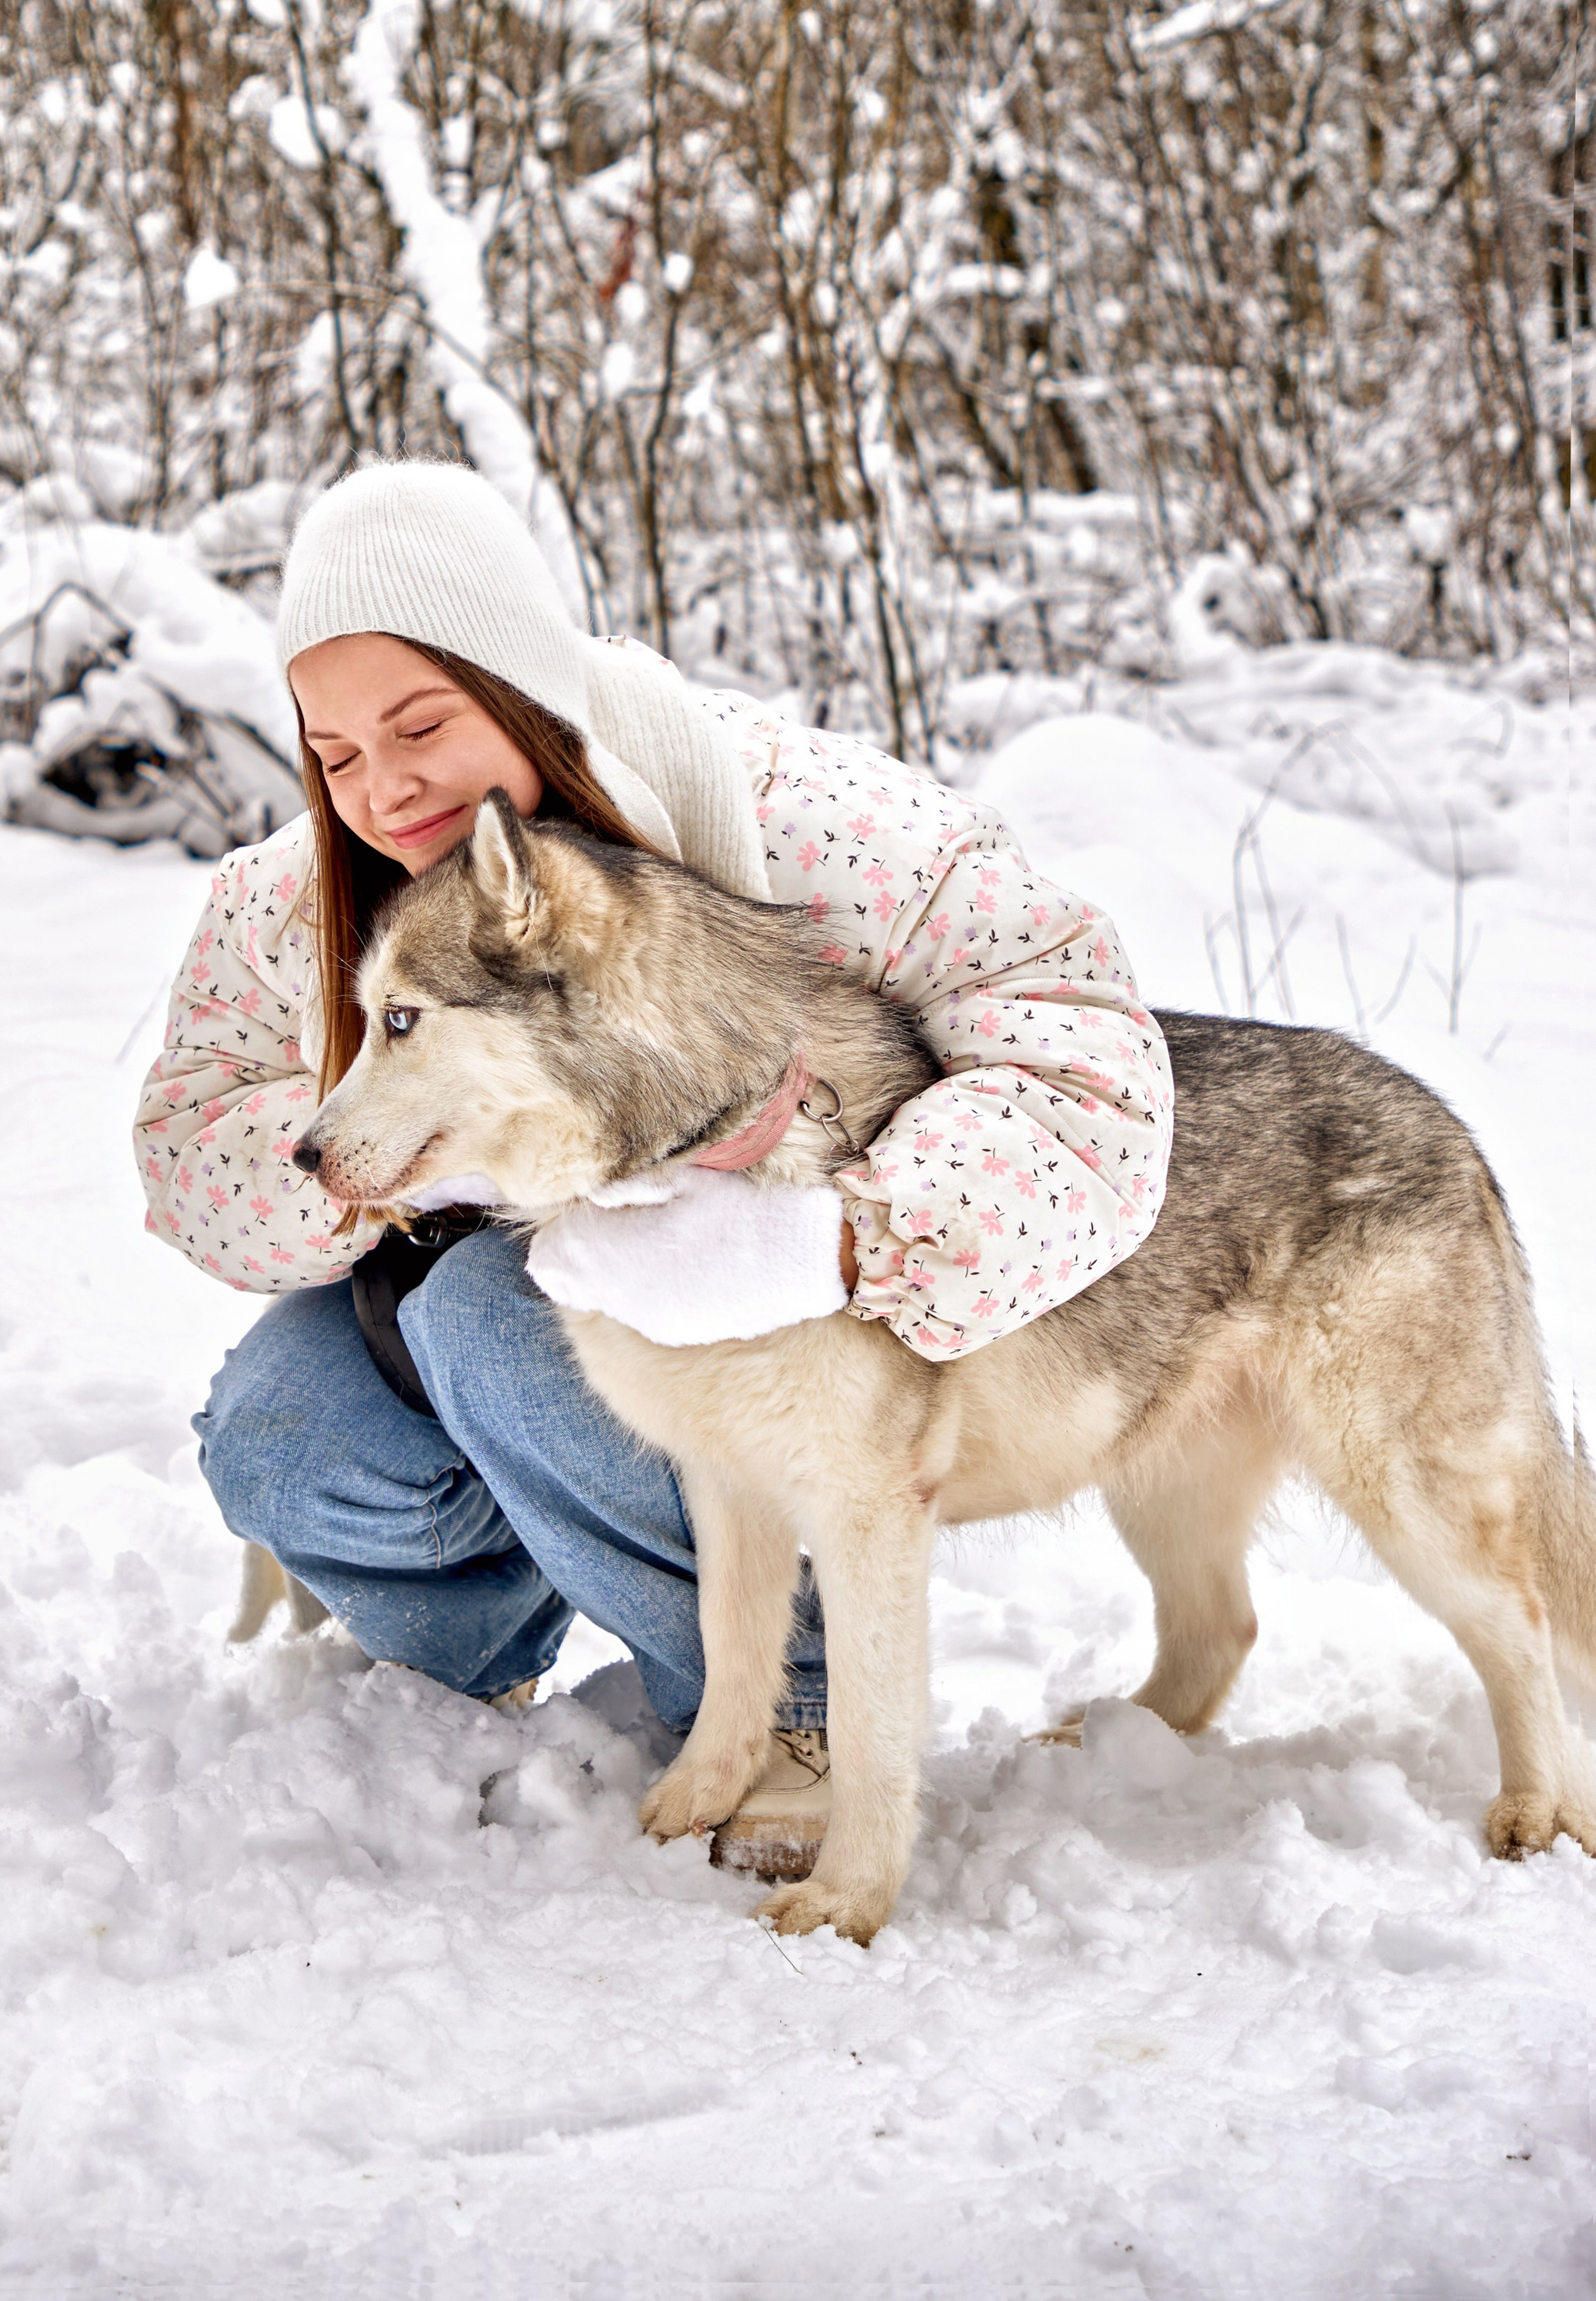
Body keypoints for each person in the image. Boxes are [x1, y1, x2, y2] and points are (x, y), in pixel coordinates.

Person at [133, 462, 1174, 1870]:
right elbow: (188, 1147)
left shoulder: (802, 815)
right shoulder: (290, 897)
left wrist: (857, 1241)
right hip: (449, 1290)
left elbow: (1089, 1059)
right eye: (334, 752)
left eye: (421, 723)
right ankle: (490, 1641)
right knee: (282, 1431)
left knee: (504, 1318)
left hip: (741, 1286)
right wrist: (408, 1161)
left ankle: (789, 1702)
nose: (383, 788)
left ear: (521, 685)